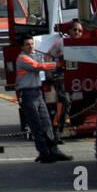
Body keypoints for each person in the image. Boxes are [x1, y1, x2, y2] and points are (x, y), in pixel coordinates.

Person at [16, 35, 72, 164]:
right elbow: (37, 66)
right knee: (36, 125)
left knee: (47, 123)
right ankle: (44, 153)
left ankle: (54, 150)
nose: (31, 46)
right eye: (27, 44)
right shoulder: (22, 58)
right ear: (22, 47)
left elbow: (43, 62)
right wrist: (57, 64)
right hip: (28, 94)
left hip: (37, 93)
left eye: (32, 44)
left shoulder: (34, 55)